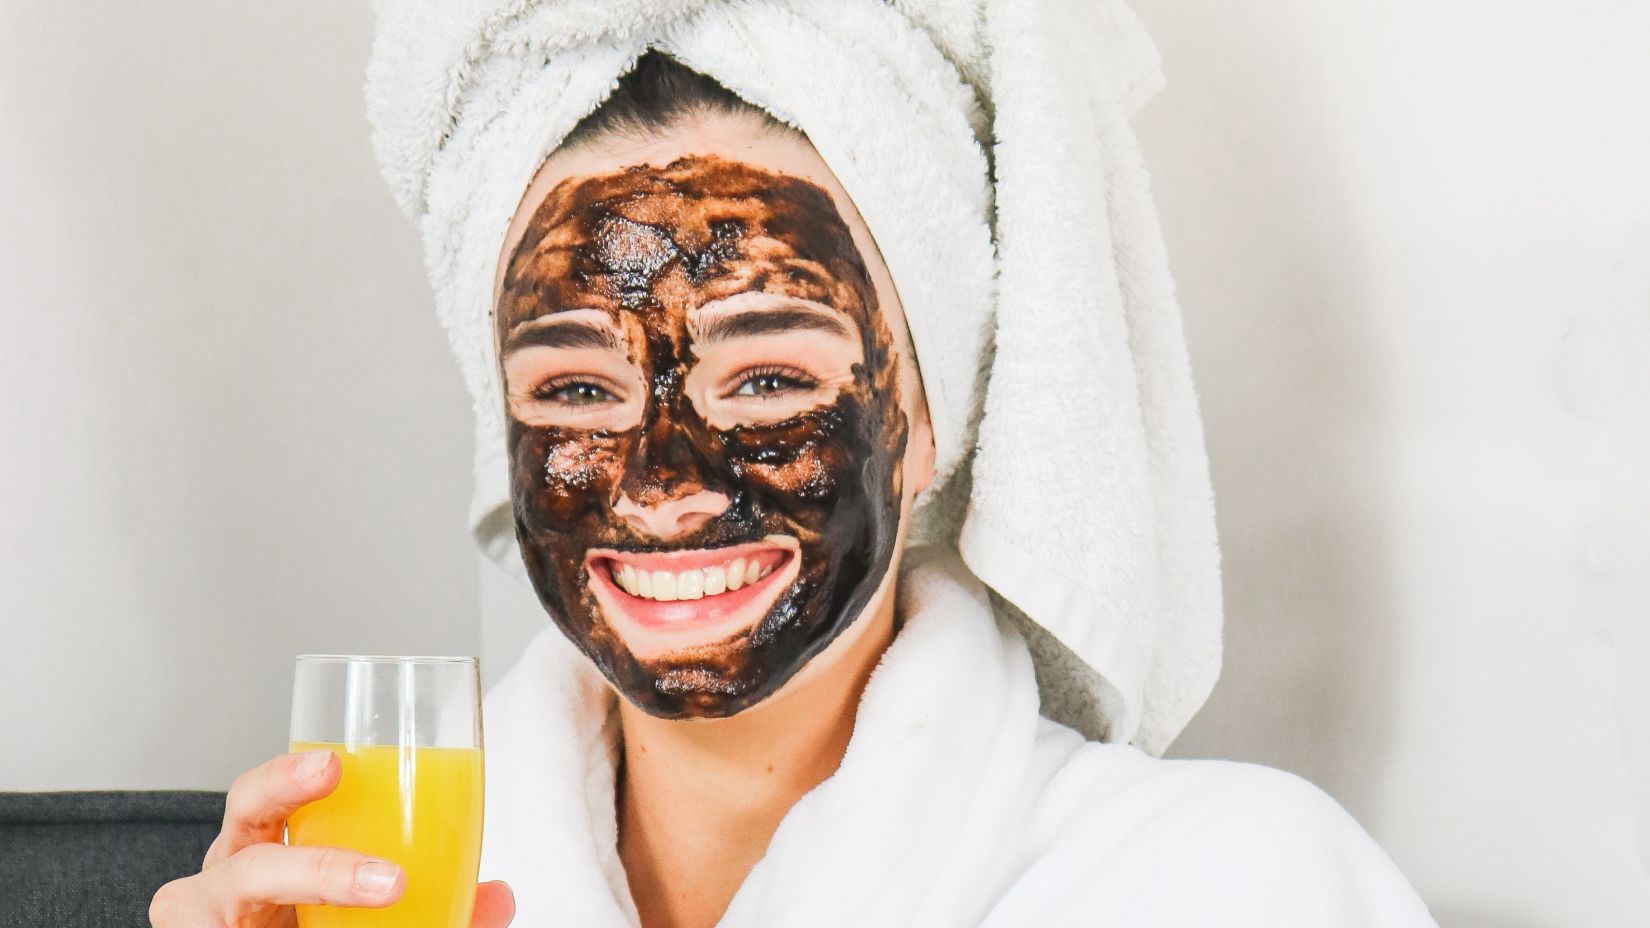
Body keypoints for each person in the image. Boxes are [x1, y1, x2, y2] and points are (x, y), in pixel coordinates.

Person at [153, 5, 1438, 926]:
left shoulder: (1229, 886)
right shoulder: (385, 897)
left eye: (766, 380)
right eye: (576, 390)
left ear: (932, 416)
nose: (664, 481)